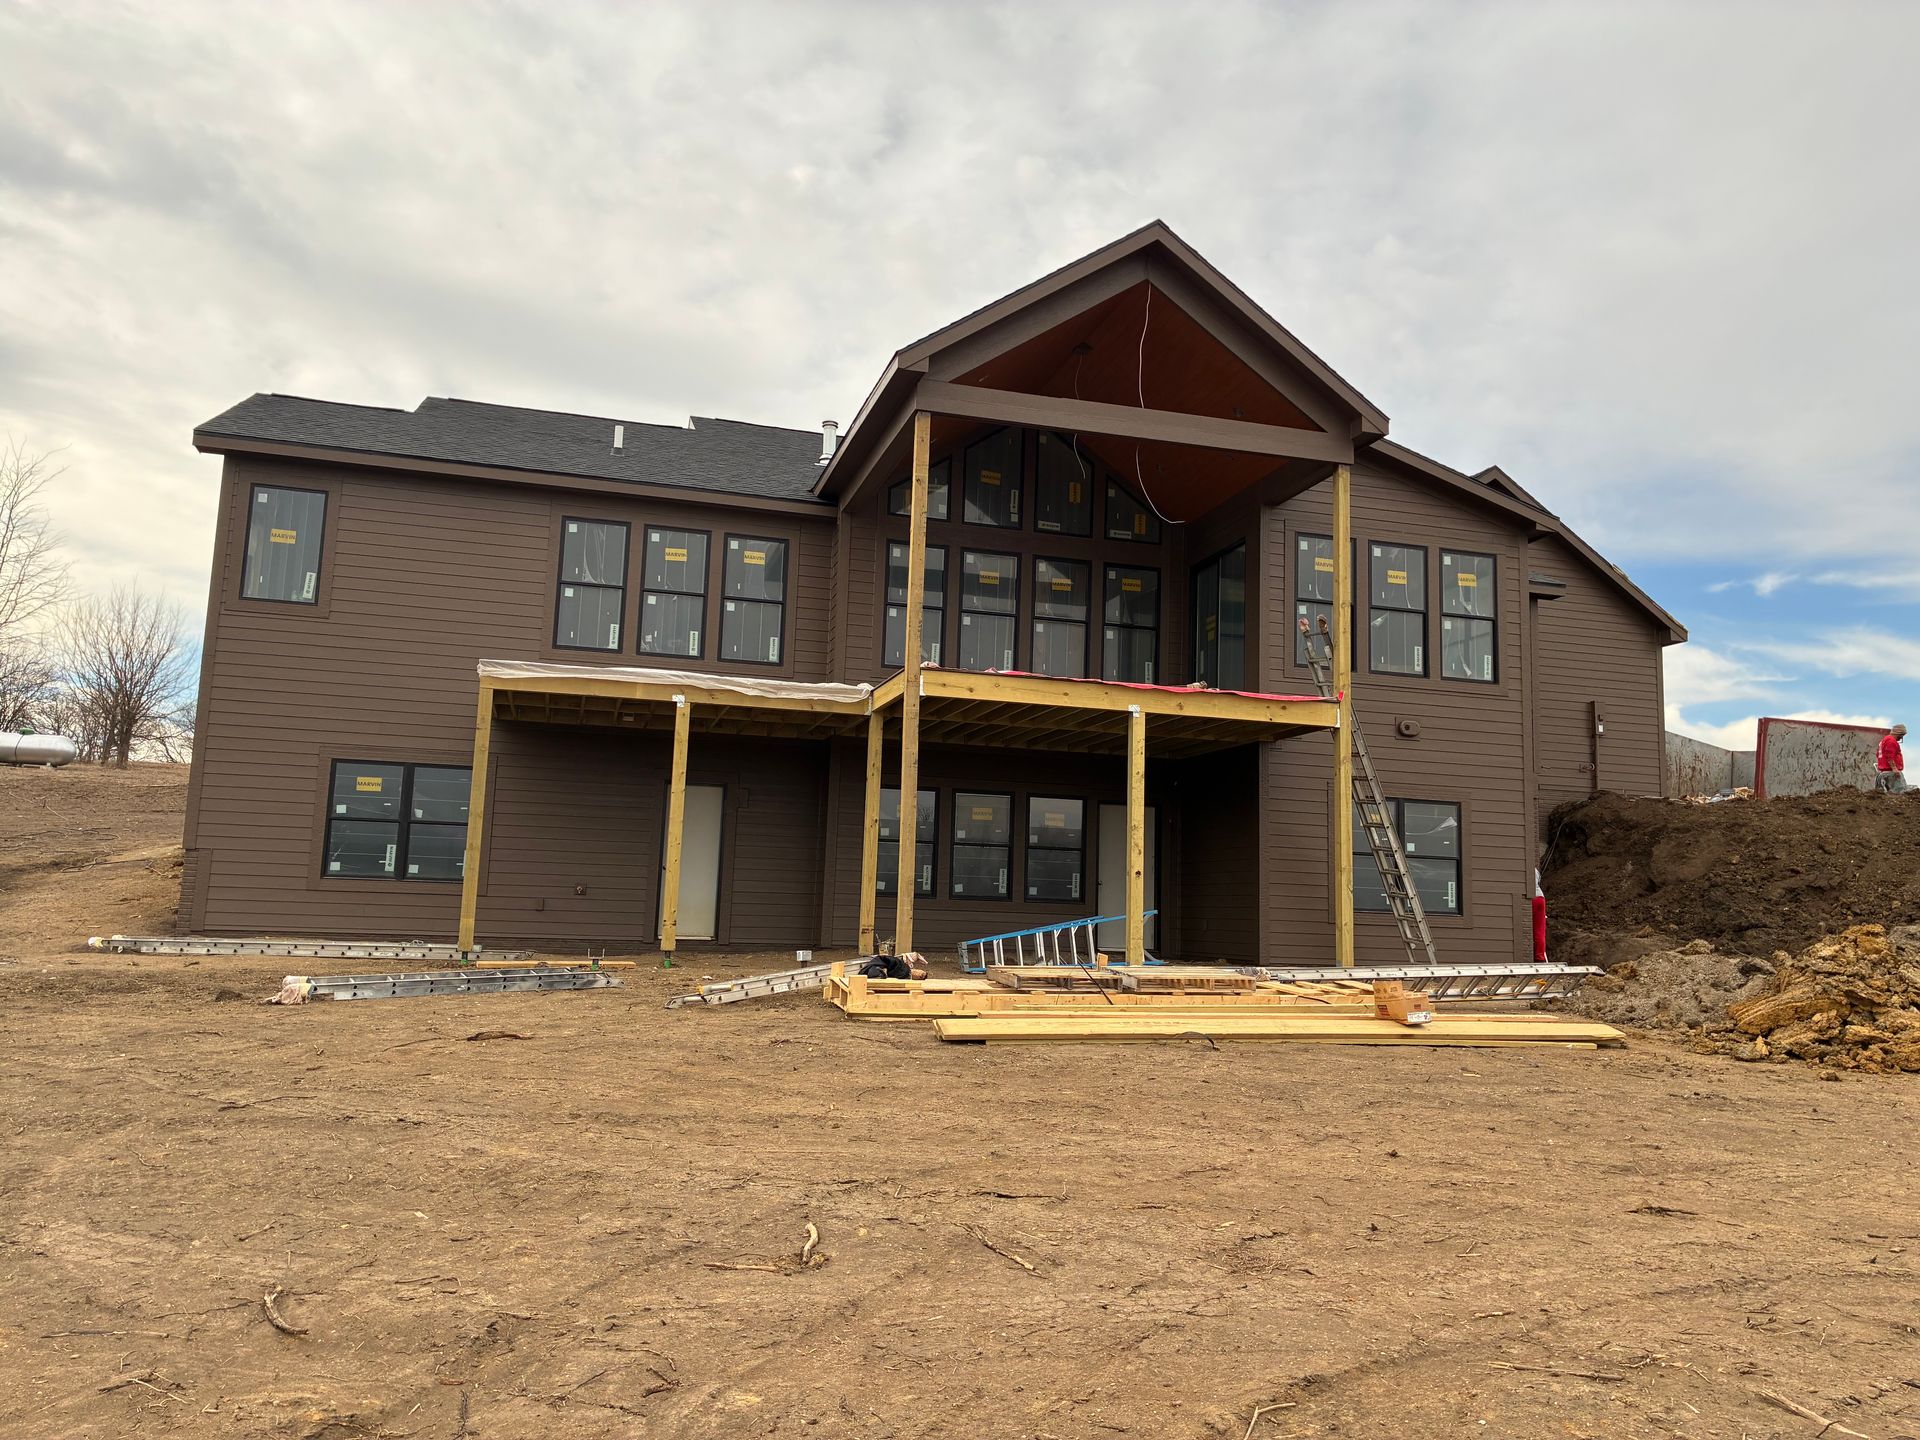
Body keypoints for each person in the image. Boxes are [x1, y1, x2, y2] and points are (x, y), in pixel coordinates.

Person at [1876, 723, 1907, 793]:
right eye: (1901, 735)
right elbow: (1889, 756)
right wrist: (1894, 768)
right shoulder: (1891, 741)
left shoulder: (1884, 740)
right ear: (1898, 733)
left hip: (1884, 772)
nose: (1901, 738)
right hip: (1891, 772)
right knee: (1900, 792)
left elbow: (1878, 754)